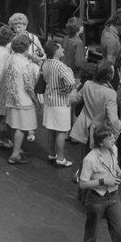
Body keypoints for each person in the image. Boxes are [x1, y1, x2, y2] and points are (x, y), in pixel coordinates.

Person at [0, 35, 40, 164]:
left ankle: (15, 146)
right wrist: (35, 100)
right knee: (22, 127)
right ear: (26, 48)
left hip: (11, 96)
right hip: (23, 99)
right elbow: (29, 85)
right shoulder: (25, 63)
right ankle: (15, 154)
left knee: (14, 124)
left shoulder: (10, 58)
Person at [40, 38, 77, 168]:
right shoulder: (60, 66)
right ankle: (60, 158)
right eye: (61, 48)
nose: (63, 49)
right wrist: (64, 91)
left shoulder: (45, 63)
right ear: (56, 51)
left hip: (49, 101)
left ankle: (51, 154)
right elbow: (71, 83)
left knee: (51, 130)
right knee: (61, 131)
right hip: (60, 103)